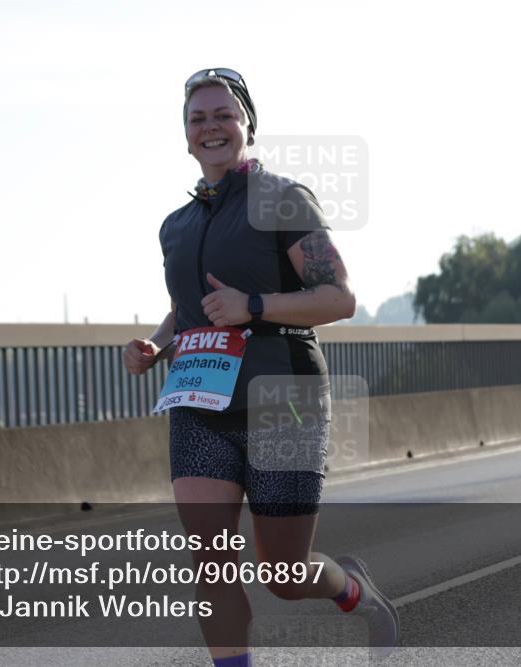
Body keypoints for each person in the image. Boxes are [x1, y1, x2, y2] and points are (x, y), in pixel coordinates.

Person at [123, 68, 399, 665]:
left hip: (284, 400)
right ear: (186, 136)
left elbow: (339, 297)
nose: (211, 127)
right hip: (200, 403)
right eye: (198, 119)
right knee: (210, 557)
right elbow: (188, 306)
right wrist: (153, 344)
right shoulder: (177, 224)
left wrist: (254, 307)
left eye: (224, 115)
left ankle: (354, 592)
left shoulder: (282, 199)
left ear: (247, 125)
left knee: (283, 571)